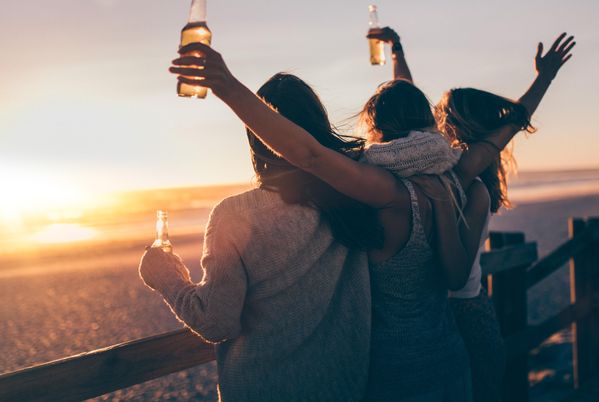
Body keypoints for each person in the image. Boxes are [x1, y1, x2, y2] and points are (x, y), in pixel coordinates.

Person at [166, 34, 548, 399]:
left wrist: (228, 87)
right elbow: (500, 133)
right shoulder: (450, 175)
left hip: (392, 376)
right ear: (427, 123)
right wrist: (544, 79)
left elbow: (310, 155)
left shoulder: (381, 189)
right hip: (449, 361)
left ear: (377, 128)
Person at [138, 72, 383, 402]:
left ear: (257, 136)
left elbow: (216, 323)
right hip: (343, 386)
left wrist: (167, 278)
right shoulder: (355, 194)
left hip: (264, 388)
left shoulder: (236, 215)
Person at [368, 27, 575, 402]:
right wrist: (396, 49)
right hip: (455, 311)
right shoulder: (453, 170)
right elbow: (410, 101)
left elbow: (511, 123)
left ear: (453, 125)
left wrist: (544, 78)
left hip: (460, 311)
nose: (435, 122)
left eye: (441, 116)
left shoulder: (457, 175)